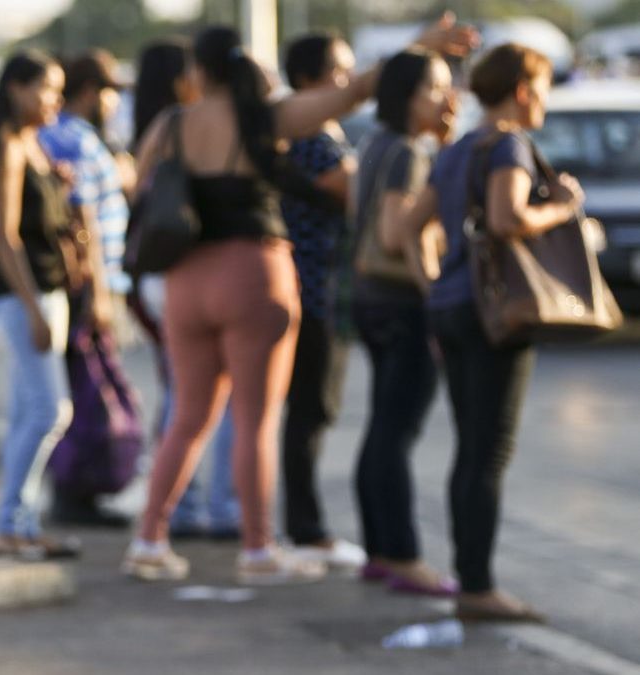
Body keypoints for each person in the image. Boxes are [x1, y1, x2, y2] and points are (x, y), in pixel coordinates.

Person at [122, 19, 477, 584]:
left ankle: (149, 539)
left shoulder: (171, 124)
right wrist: (422, 48)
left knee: (187, 417)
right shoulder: (266, 118)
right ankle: (258, 549)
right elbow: (354, 90)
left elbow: (138, 187)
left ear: (197, 73)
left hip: (186, 278)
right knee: (255, 418)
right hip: (253, 274)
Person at [403, 43, 582, 621]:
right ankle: (477, 588)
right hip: (493, 313)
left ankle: (470, 578)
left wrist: (432, 284)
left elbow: (407, 226)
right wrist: (564, 208)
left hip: (454, 306)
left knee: (470, 448)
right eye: (545, 90)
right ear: (525, 91)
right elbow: (507, 219)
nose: (545, 103)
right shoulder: (507, 144)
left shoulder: (456, 149)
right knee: (487, 452)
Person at [351, 49, 458, 595]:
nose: (445, 98)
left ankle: (378, 550)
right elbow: (397, 236)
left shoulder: (376, 144)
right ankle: (402, 555)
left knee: (382, 427)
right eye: (434, 88)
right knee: (397, 431)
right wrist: (433, 296)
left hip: (369, 299)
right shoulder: (407, 153)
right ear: (405, 95)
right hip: (401, 301)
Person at [128, 38, 240, 541]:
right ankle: (217, 505)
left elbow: (135, 185)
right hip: (199, 269)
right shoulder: (197, 120)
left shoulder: (156, 124)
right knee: (213, 394)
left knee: (180, 389)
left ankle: (183, 503)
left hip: (155, 270)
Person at [0, 50, 80, 559]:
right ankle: (10, 522)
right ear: (16, 88)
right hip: (22, 294)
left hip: (48, 289)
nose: (55, 100)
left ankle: (20, 523)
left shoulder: (33, 142)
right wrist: (34, 308)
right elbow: (3, 236)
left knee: (28, 411)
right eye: (47, 88)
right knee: (49, 410)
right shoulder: (6, 149)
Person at [277, 32, 365, 569]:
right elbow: (358, 197)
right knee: (311, 411)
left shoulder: (311, 134)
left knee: (311, 411)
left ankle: (300, 525)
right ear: (310, 79)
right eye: (341, 72)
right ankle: (305, 529)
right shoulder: (312, 139)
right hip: (314, 292)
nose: (350, 84)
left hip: (317, 289)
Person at [39, 49, 136, 528]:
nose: (115, 102)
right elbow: (83, 220)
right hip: (87, 283)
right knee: (87, 393)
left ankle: (78, 491)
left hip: (87, 282)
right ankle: (73, 493)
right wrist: (97, 291)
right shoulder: (72, 138)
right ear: (93, 91)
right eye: (111, 92)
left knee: (85, 390)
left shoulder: (76, 136)